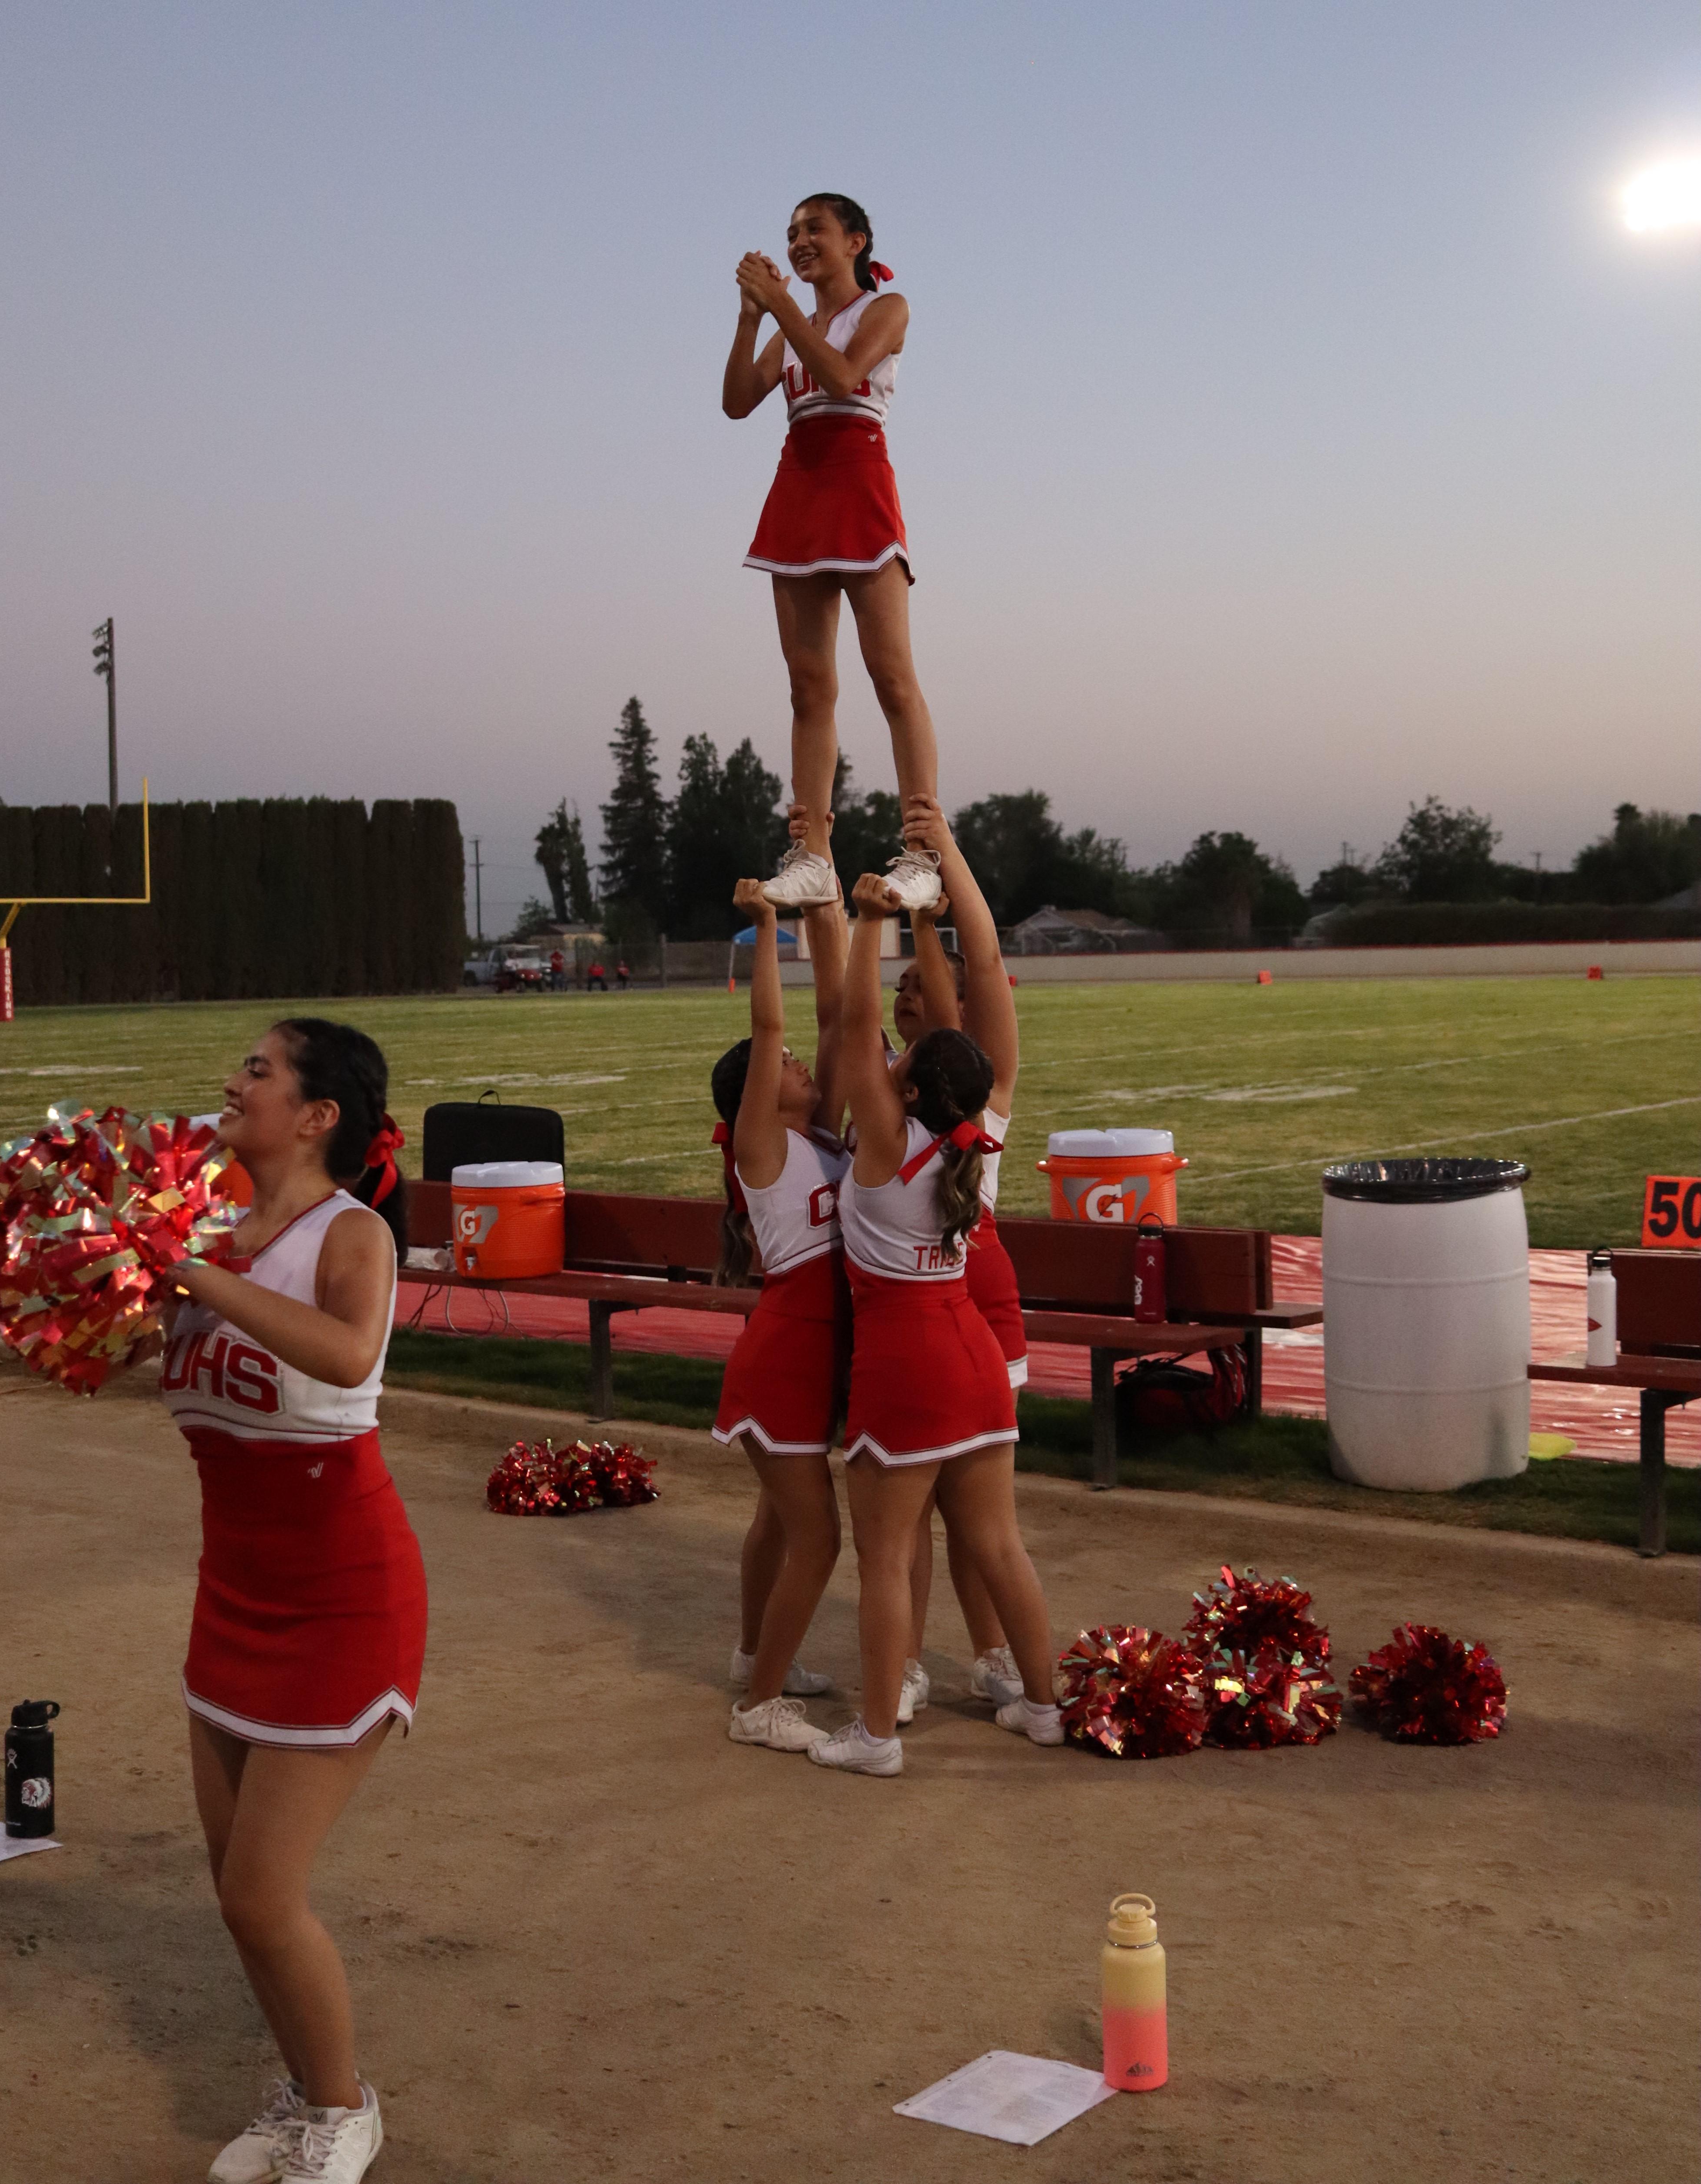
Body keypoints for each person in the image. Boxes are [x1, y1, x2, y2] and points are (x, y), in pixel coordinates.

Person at [159, 1018, 425, 2184]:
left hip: (342, 1595)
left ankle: (345, 2110)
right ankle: (304, 2091)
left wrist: (193, 1273)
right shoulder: (205, 1226)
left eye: (259, 1072)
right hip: (233, 1590)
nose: (233, 1082)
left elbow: (348, 1349)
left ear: (317, 1116)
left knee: (268, 1896)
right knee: (235, 1895)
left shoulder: (348, 1234)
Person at [810, 874, 1062, 1778]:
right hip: (975, 1354)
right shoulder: (978, 1133)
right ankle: (1042, 1706)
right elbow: (920, 1032)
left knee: (884, 1558)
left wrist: (868, 920)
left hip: (905, 1359)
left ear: (911, 1084)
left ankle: (875, 1737)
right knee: (997, 1542)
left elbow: (845, 1025)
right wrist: (905, 917)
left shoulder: (886, 1136)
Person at [722, 192, 943, 917]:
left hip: (859, 478)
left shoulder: (887, 308)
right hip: (799, 483)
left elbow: (845, 377)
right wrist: (754, 314)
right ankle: (814, 854)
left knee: (891, 676)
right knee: (808, 686)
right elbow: (735, 402)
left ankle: (922, 850)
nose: (799, 240)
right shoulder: (793, 325)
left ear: (856, 241)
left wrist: (782, 312)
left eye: (814, 228)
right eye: (791, 233)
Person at [893, 797, 1032, 1715]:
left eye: (913, 985)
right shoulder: (875, 1091)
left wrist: (931, 883)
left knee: (971, 1515)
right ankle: (898, 1665)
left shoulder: (978, 1090)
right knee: (906, 1513)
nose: (902, 993)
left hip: (980, 1309)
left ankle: (993, 1656)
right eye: (894, 987)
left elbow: (976, 972)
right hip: (903, 1314)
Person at [711, 879, 850, 1753]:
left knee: (774, 1519)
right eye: (783, 1066)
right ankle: (759, 1708)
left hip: (807, 1350)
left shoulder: (819, 1138)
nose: (796, 1062)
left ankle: (753, 1655)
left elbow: (836, 1024)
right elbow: (770, 1030)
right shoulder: (763, 1149)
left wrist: (822, 907)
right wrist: (767, 929)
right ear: (757, 1097)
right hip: (786, 1353)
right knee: (819, 1537)